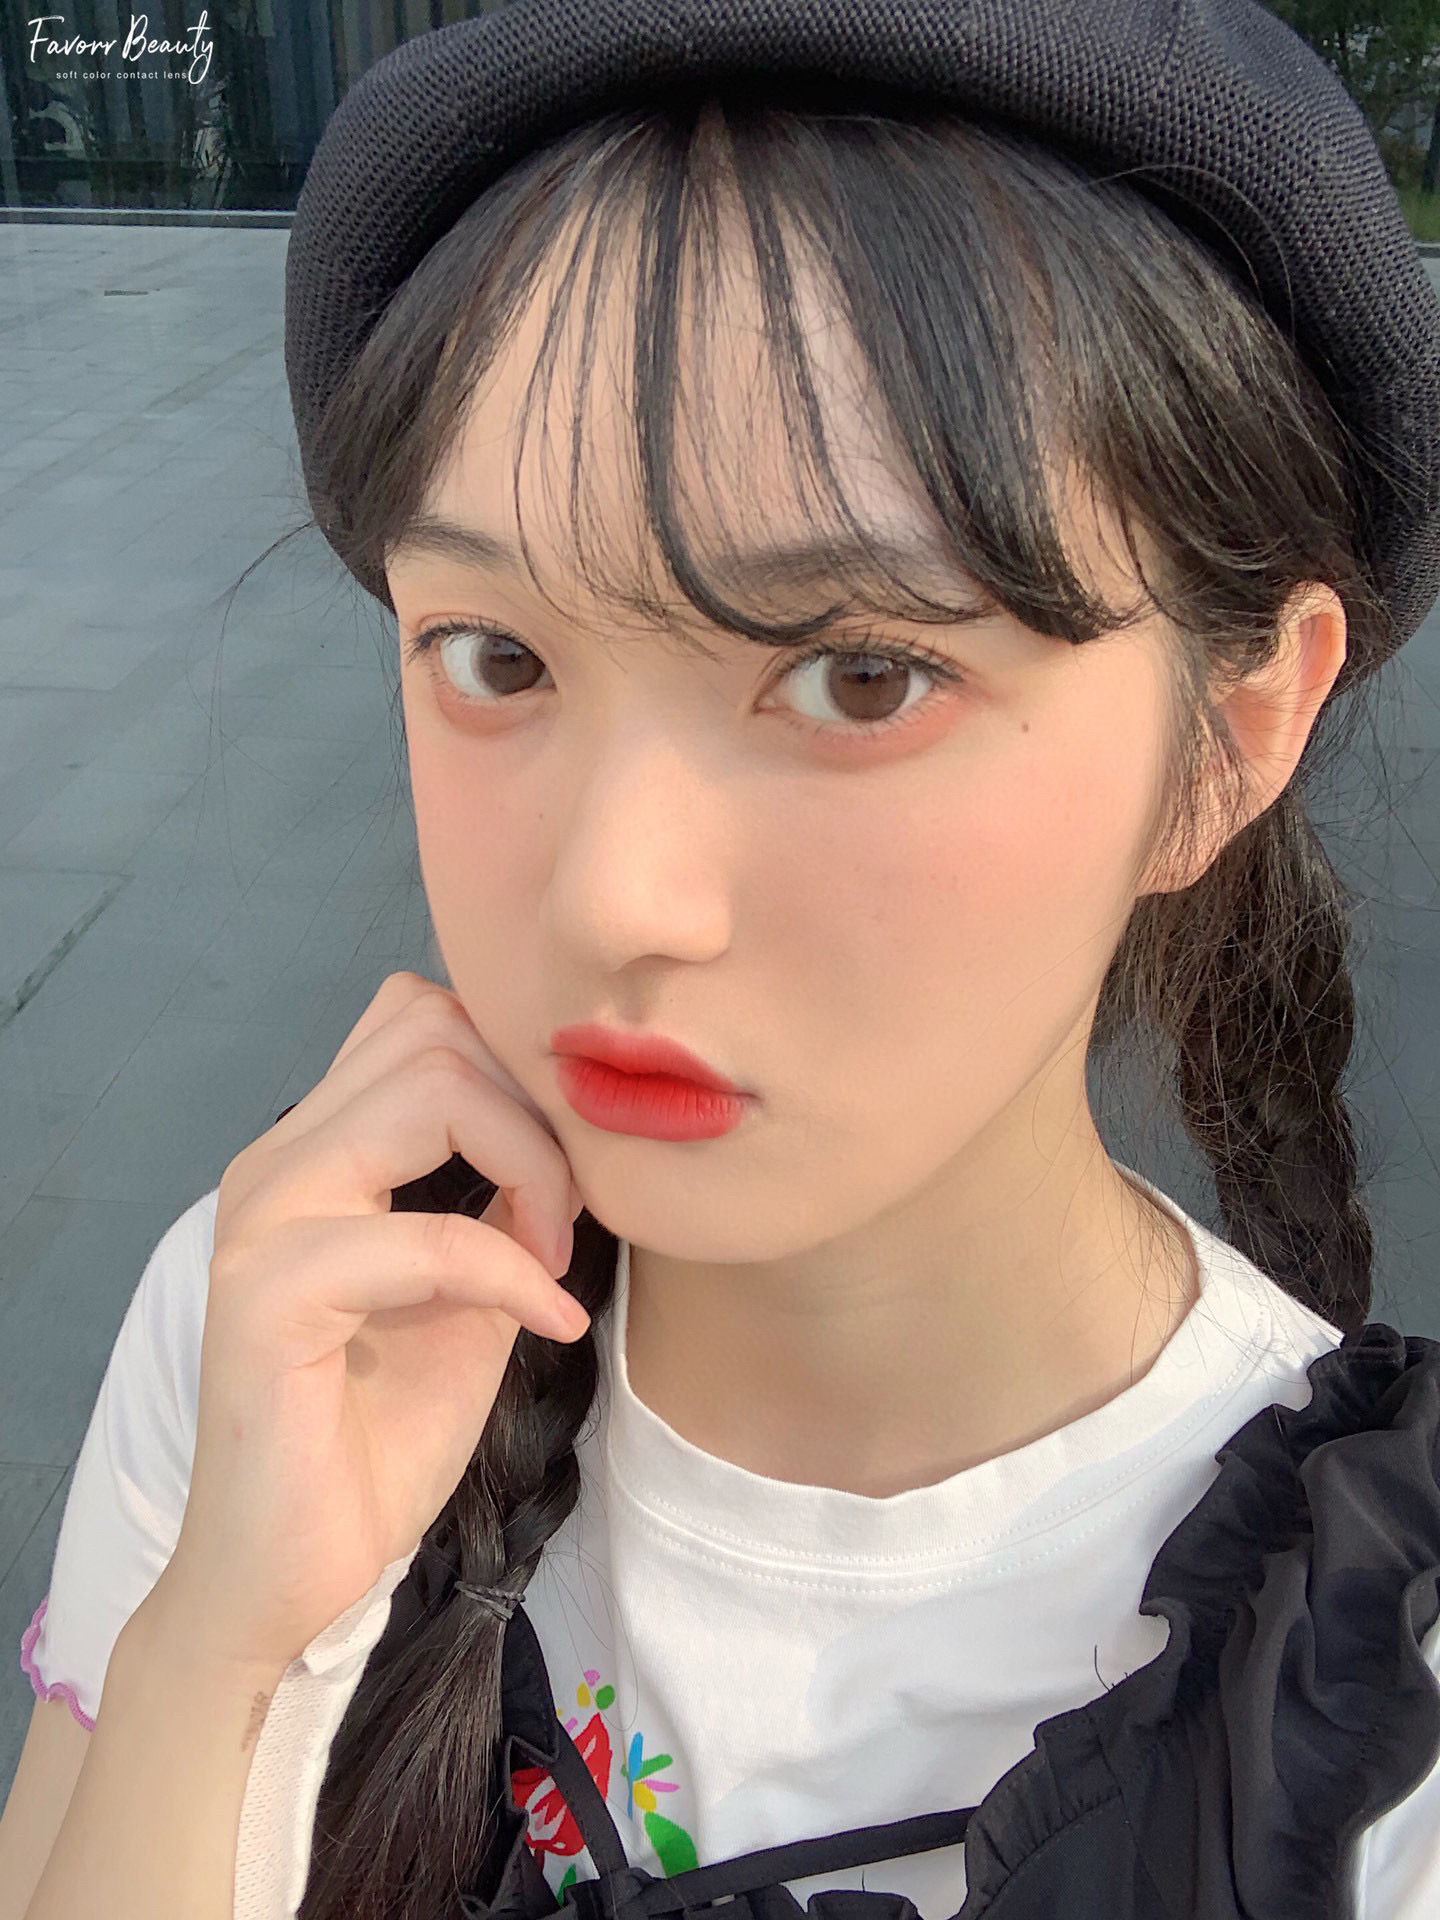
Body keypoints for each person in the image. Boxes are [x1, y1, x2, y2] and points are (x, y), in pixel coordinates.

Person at [4, 1, 1440, 1916]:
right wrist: (222, 1652)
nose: (619, 898)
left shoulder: (1384, 1718)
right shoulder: (281, 1336)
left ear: (1237, 734)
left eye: (863, 679)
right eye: (497, 656)